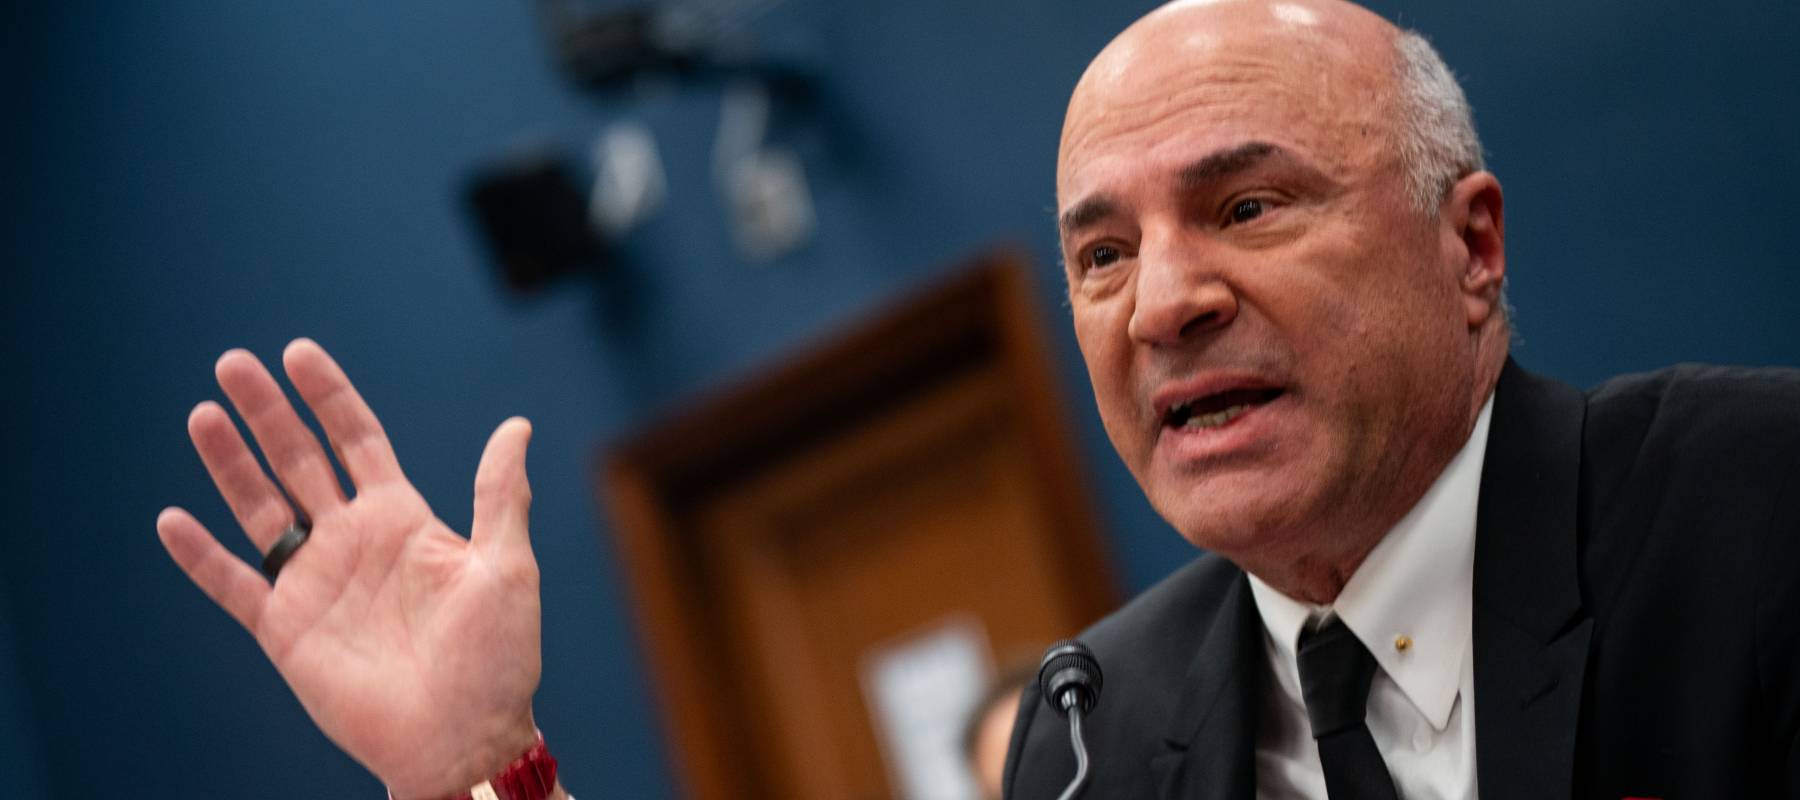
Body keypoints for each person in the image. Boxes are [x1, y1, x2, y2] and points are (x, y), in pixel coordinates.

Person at [158, 1, 1800, 798]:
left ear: (1470, 247)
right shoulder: (1098, 734)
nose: (1164, 302)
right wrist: (485, 773)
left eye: (1247, 206)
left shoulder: (1751, 508)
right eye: (1101, 256)